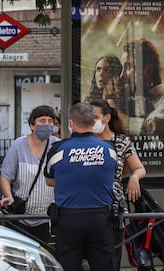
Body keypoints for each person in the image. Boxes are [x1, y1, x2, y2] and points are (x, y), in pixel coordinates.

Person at [45, 102, 117, 271]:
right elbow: (110, 174)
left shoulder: (58, 150)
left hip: (69, 219)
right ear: (93, 123)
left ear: (70, 123)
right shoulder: (109, 149)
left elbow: (49, 180)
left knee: (67, 265)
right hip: (101, 218)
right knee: (104, 265)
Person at [90, 99, 146, 271]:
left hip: (113, 208)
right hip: (88, 204)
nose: (91, 121)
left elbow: (139, 168)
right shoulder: (85, 140)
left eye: (95, 117)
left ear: (106, 118)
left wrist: (134, 178)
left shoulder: (121, 141)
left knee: (112, 256)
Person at [0, 105, 60, 243]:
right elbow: (5, 176)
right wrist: (8, 196)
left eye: (50, 121)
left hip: (44, 217)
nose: (47, 125)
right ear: (32, 125)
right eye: (42, 121)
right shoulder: (19, 145)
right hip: (19, 216)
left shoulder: (57, 146)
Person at [120, 39, 163, 135]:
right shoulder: (142, 100)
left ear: (148, 70)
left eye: (128, 67)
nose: (122, 75)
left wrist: (122, 119)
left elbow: (155, 127)